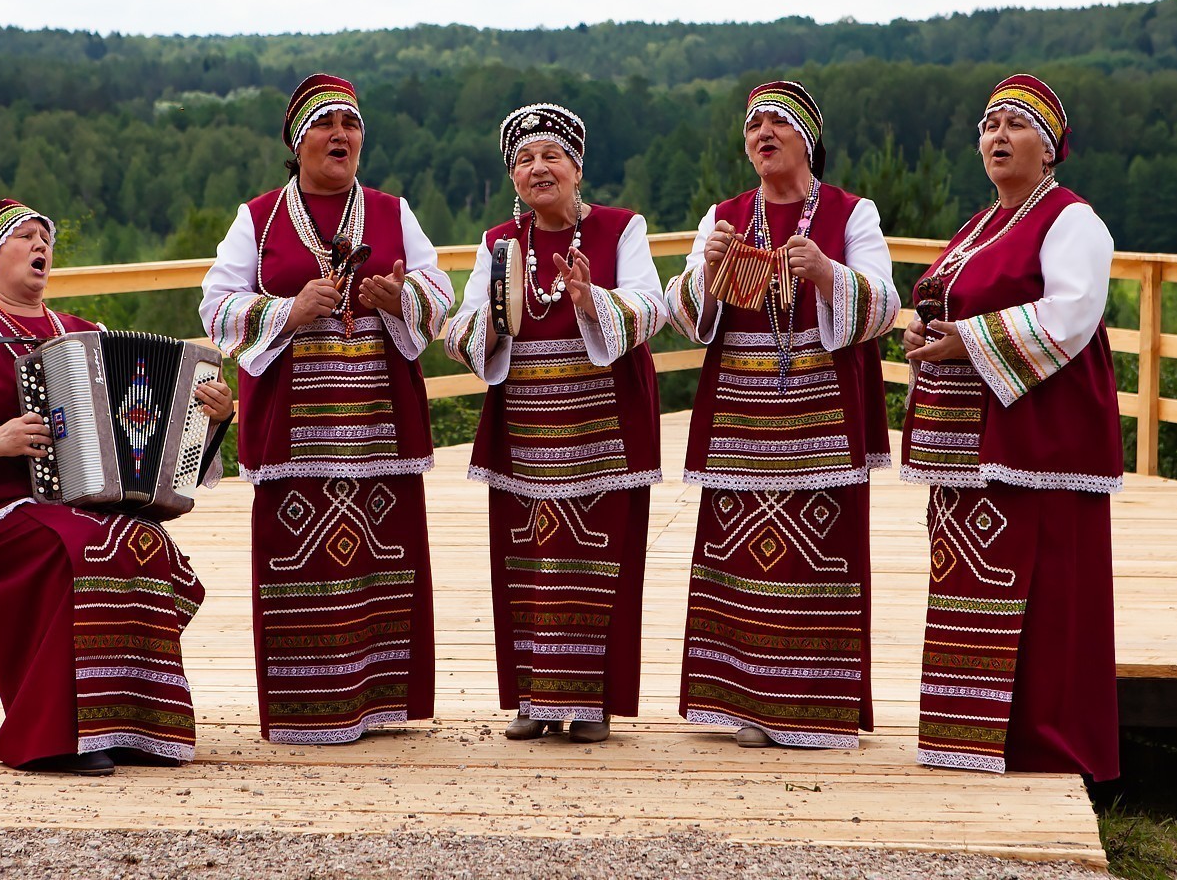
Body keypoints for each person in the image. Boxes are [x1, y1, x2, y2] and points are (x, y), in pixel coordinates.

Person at [0, 198, 231, 776]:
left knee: (139, 541)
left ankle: (131, 728)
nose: (40, 246)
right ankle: (56, 734)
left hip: (67, 501)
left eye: (44, 239)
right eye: (24, 237)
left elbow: (143, 426)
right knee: (78, 546)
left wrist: (214, 416)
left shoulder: (83, 335)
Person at [200, 73, 454, 745]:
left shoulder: (393, 210)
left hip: (376, 418)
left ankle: (379, 705)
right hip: (295, 425)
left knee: (378, 558)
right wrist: (290, 309)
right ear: (298, 141)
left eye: (352, 123)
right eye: (326, 124)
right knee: (300, 560)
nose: (341, 134)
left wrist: (402, 299)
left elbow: (439, 290)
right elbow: (216, 304)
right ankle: (306, 709)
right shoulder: (256, 218)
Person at [664, 80, 899, 749]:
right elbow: (685, 316)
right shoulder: (725, 214)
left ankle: (809, 704)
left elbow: (883, 301)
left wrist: (827, 272)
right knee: (740, 554)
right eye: (751, 125)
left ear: (807, 137)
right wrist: (705, 273)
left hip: (821, 411)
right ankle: (743, 700)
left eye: (776, 121)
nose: (761, 132)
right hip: (742, 409)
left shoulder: (852, 214)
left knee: (817, 552)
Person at [900, 73, 1121, 781]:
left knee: (1046, 590)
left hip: (1042, 438)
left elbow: (1071, 313)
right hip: (975, 442)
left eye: (1016, 125)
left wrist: (965, 340)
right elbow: (956, 304)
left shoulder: (1071, 219)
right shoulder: (983, 223)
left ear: (1051, 147)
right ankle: (965, 736)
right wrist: (929, 334)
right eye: (989, 124)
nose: (997, 136)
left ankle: (1039, 748)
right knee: (973, 579)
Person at [442, 104, 667, 744]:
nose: (539, 169)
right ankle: (534, 698)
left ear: (577, 168)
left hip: (603, 419)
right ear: (513, 176)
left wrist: (591, 299)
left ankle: (591, 701)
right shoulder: (498, 244)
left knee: (597, 556)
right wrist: (491, 319)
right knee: (527, 560)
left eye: (551, 156)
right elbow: (461, 329)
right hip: (525, 422)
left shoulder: (621, 230)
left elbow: (652, 307)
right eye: (524, 159)